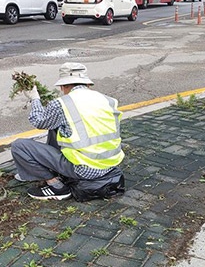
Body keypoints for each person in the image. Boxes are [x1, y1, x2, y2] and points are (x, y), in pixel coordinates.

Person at [11, 62, 125, 201]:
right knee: (56, 126)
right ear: (88, 85)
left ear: (63, 86)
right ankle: (50, 171)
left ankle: (56, 186)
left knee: (19, 146)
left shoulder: (63, 103)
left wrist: (35, 99)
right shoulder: (109, 100)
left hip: (84, 169)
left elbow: (39, 121)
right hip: (110, 164)